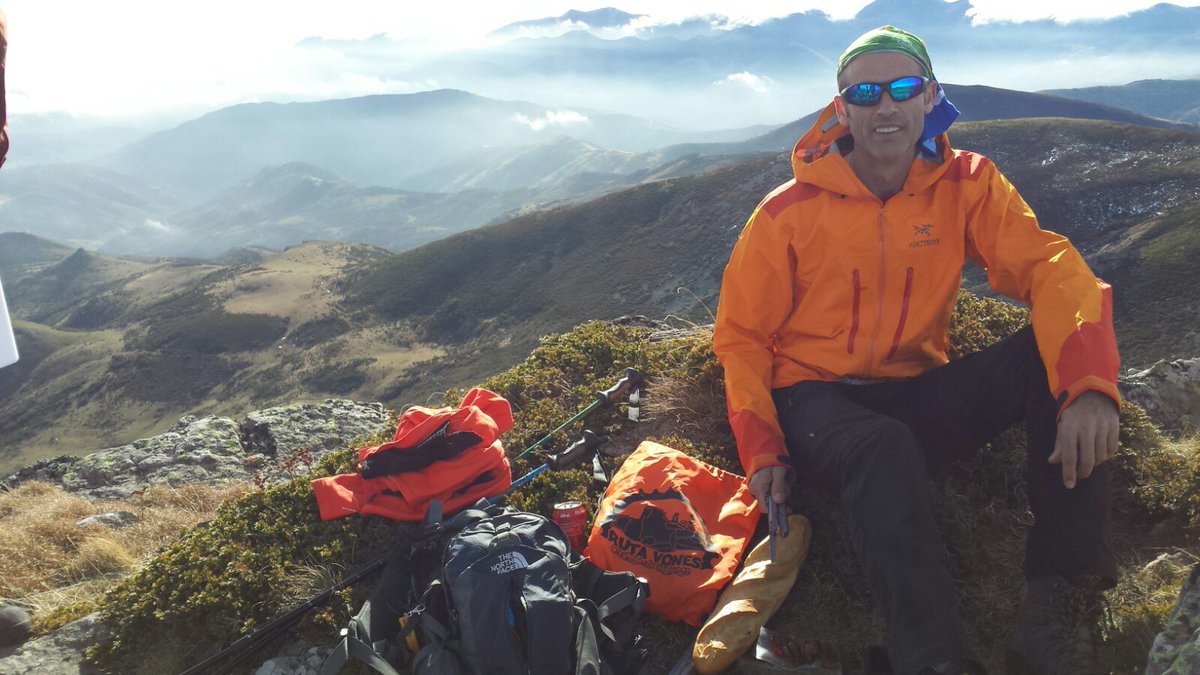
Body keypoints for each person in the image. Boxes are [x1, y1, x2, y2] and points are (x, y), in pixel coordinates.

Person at [712, 26, 1120, 675]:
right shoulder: (786, 213)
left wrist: (1089, 384)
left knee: (1050, 357)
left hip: (915, 393)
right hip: (816, 400)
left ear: (929, 98)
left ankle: (1058, 602)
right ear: (840, 109)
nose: (885, 107)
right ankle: (933, 659)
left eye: (902, 88)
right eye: (866, 93)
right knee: (882, 445)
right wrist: (763, 447)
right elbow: (741, 336)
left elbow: (1050, 268)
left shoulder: (969, 184)